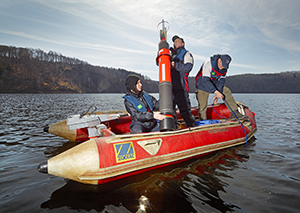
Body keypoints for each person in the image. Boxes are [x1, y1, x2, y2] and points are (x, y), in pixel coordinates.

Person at [195, 54, 247, 120]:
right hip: (202, 84)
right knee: (202, 104)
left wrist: (218, 93)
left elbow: (221, 81)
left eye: (225, 66)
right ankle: (203, 120)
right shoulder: (208, 63)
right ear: (219, 60)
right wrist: (215, 92)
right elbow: (205, 80)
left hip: (215, 82)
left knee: (226, 91)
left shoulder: (224, 68)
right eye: (222, 65)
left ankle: (234, 113)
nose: (223, 67)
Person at [170, 35, 196, 127]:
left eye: (178, 41)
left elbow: (188, 67)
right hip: (170, 86)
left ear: (183, 43)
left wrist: (176, 65)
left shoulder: (187, 54)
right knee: (171, 110)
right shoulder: (171, 54)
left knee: (185, 110)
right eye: (174, 41)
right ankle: (173, 129)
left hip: (181, 86)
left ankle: (192, 127)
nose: (176, 42)